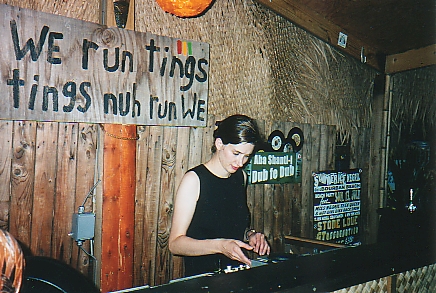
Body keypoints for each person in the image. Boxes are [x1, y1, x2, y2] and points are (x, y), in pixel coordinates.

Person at [169, 114, 270, 277]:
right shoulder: (194, 180)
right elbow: (175, 244)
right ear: (219, 143)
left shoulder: (241, 177)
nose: (241, 162)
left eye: (246, 156)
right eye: (236, 153)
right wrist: (220, 246)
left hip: (234, 276)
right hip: (203, 279)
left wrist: (250, 236)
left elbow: (230, 226)